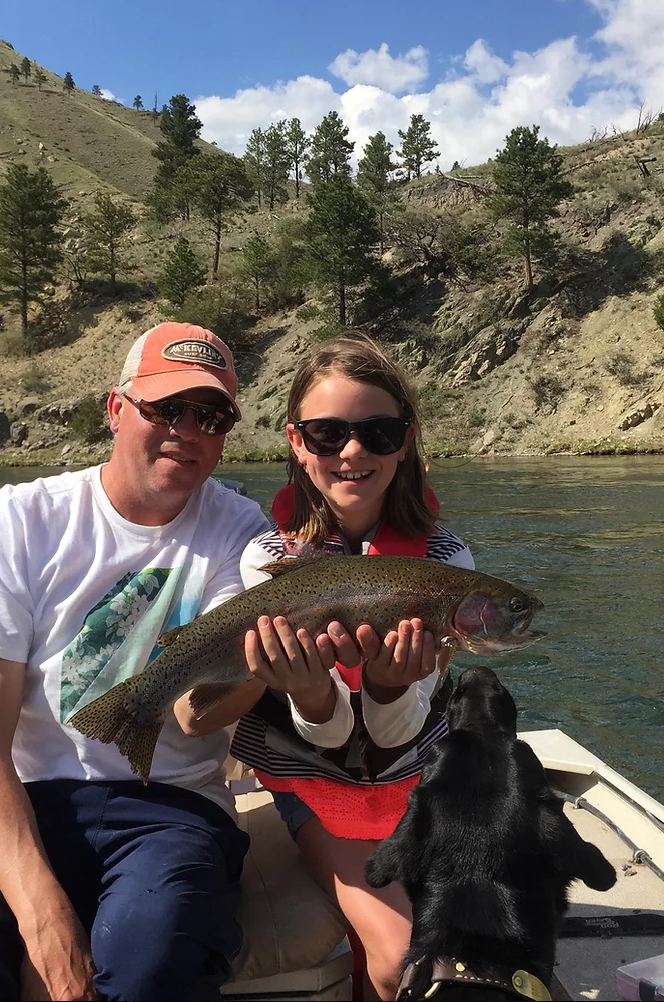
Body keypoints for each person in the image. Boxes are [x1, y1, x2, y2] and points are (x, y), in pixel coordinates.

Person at [0, 322, 272, 1002]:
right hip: (19, 797)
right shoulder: (20, 520)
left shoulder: (242, 533)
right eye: (166, 409)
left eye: (211, 415)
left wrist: (272, 664)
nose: (186, 431)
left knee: (154, 954)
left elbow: (198, 717)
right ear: (115, 408)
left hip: (171, 809)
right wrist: (41, 914)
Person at [228, 335, 475, 1001]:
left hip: (407, 771)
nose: (353, 452)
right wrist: (309, 693)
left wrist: (393, 683)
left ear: (406, 439)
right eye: (328, 433)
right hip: (312, 778)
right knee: (402, 957)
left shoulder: (448, 564)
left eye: (377, 432)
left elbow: (399, 734)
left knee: (454, 948)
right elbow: (329, 740)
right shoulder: (267, 561)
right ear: (296, 441)